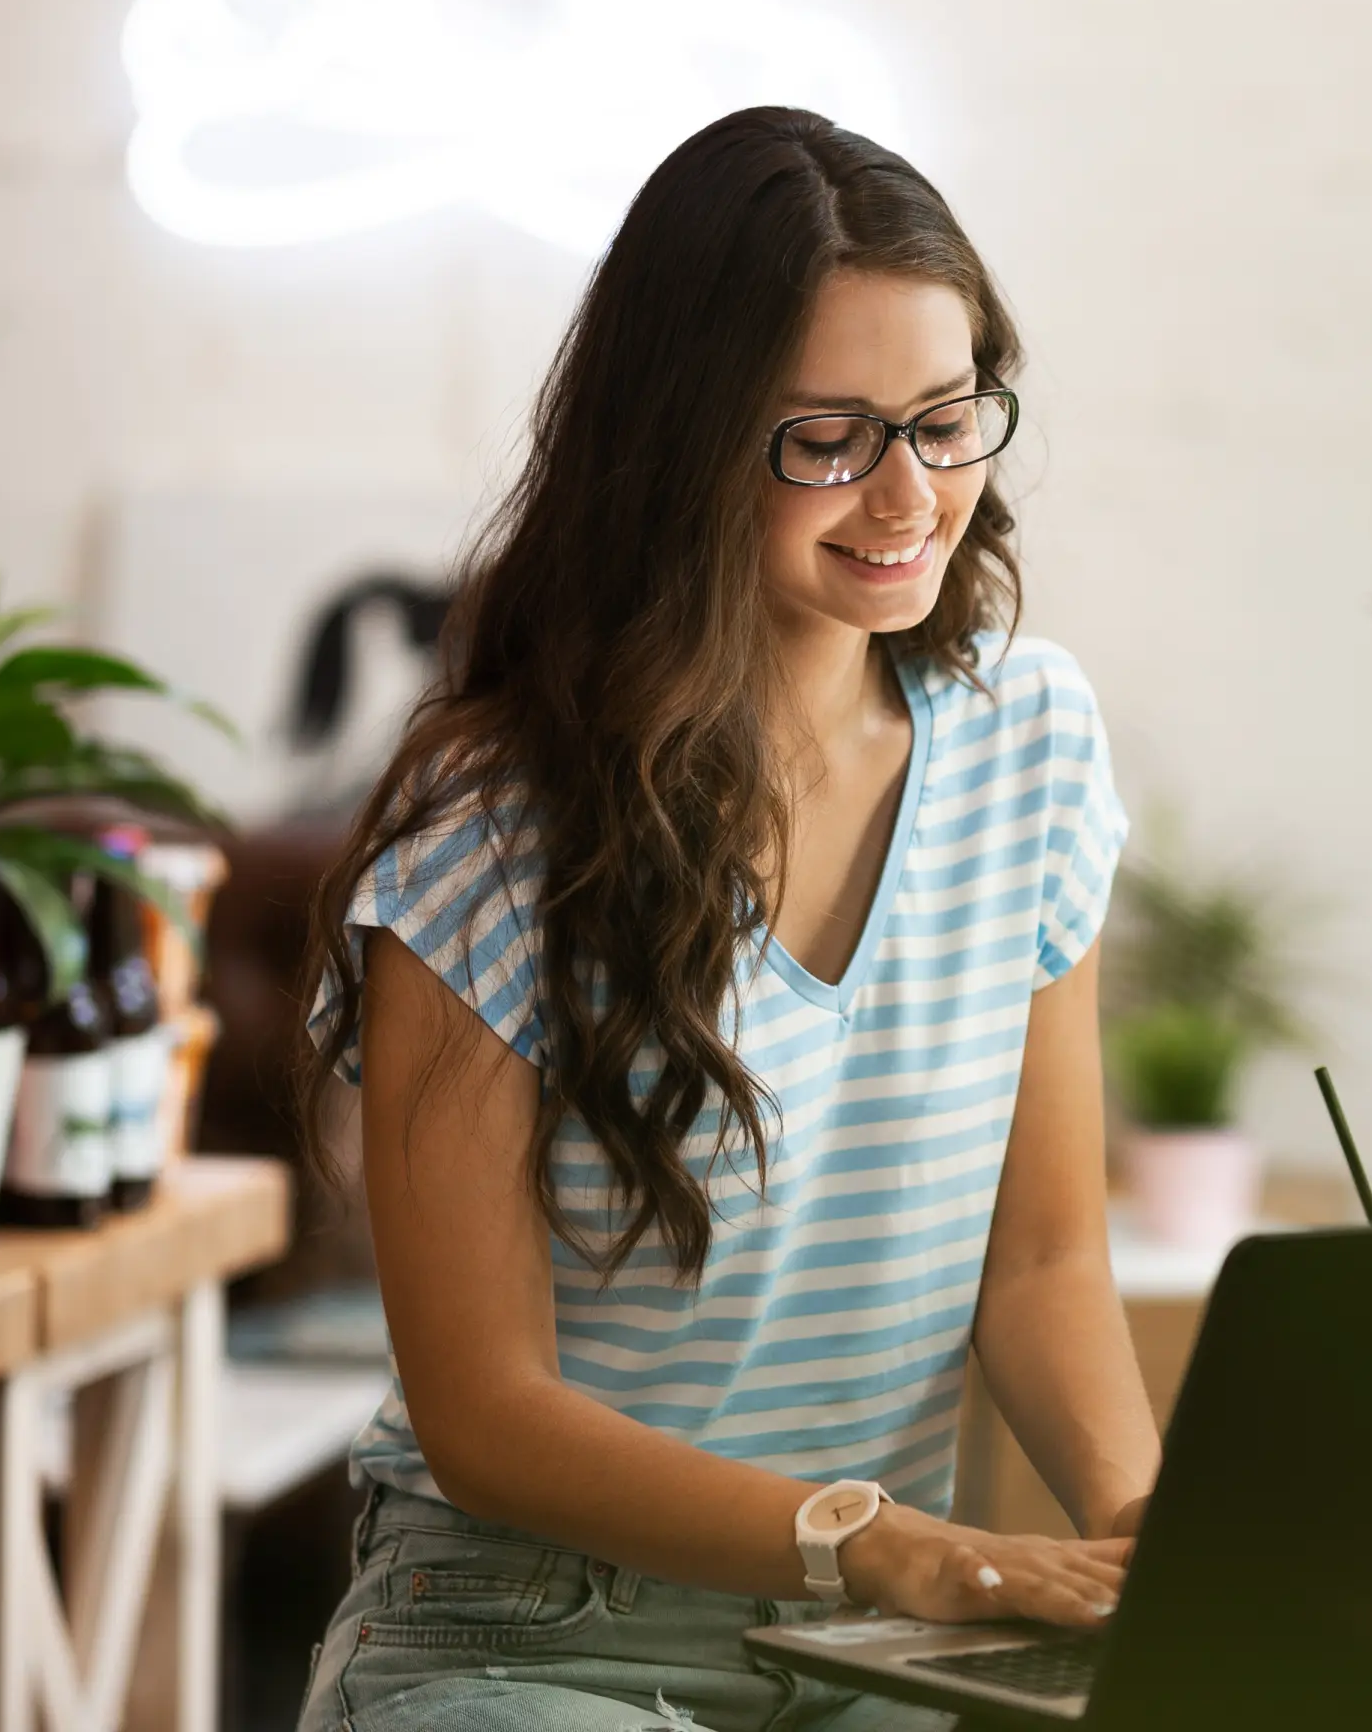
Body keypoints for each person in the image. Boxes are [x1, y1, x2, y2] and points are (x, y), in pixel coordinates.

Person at [292, 106, 1159, 1732]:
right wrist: (888, 1545)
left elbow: (1040, 1259)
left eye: (947, 420)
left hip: (876, 1656)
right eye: (827, 437)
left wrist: (1144, 1530)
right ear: (681, 444)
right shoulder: (495, 827)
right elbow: (484, 1415)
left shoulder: (1033, 749)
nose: (908, 493)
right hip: (526, 1631)